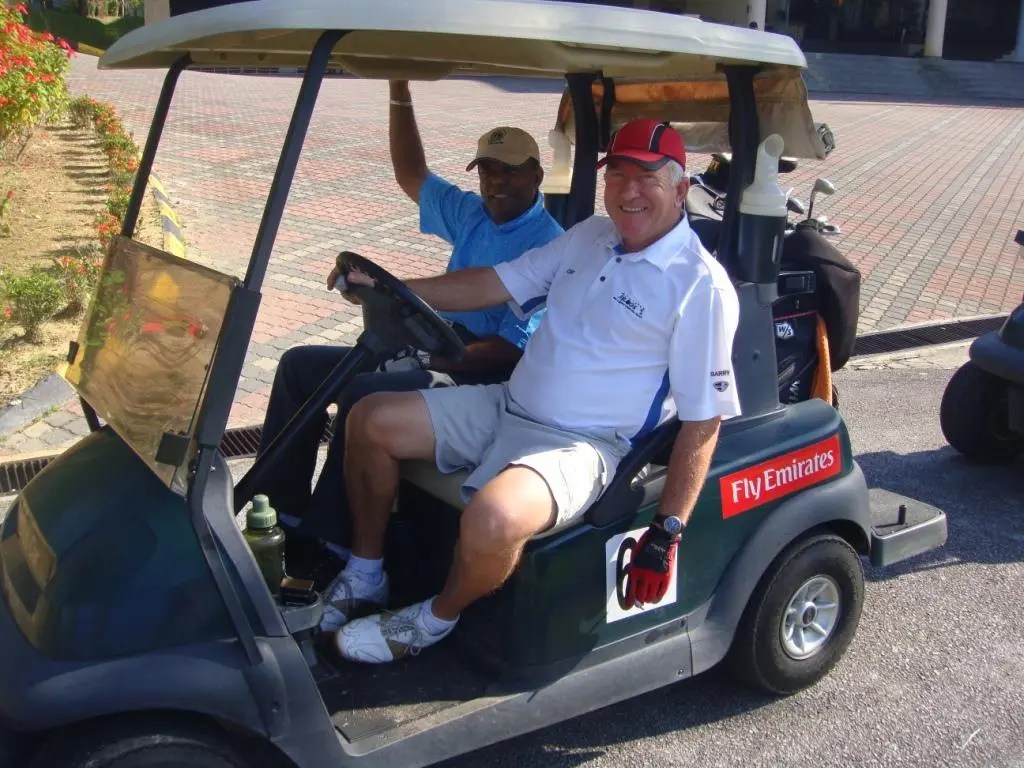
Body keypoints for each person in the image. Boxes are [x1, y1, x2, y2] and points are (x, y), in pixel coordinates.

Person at [322, 118, 743, 664]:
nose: (629, 190)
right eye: (618, 174)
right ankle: (365, 573)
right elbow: (493, 282)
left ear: (681, 188)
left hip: (584, 446)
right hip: (508, 405)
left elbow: (704, 421)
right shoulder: (590, 236)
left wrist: (666, 532)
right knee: (369, 418)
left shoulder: (700, 286)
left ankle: (433, 620)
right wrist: (391, 288)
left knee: (493, 519)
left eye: (648, 177)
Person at [254, 80, 562, 574]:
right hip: (436, 344)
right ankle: (279, 512)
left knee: (364, 389)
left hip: (480, 370)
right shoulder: (474, 213)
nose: (496, 182)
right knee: (298, 366)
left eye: (509, 171)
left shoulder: (548, 245)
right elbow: (412, 174)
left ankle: (332, 541)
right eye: (487, 170)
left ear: (536, 175)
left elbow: (512, 350)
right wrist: (399, 90)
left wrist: (429, 357)